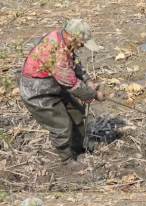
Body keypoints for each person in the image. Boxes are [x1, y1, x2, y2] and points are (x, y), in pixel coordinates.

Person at [19, 19, 105, 170]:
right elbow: (72, 84)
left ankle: (79, 147)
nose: (82, 46)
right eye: (82, 43)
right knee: (61, 125)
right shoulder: (56, 52)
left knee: (77, 112)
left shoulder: (63, 40)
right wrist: (94, 95)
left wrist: (88, 80)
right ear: (72, 37)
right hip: (37, 91)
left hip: (53, 84)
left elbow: (75, 63)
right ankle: (67, 160)